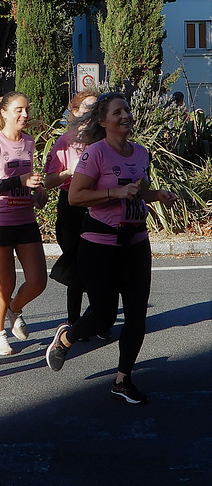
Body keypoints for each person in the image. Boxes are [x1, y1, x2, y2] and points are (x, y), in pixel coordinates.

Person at [45, 92, 177, 405]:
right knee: (103, 317)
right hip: (100, 245)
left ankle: (122, 380)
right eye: (117, 112)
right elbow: (76, 197)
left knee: (136, 315)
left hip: (135, 243)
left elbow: (139, 190)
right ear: (103, 121)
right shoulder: (95, 154)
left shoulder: (140, 153)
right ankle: (66, 338)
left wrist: (157, 195)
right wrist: (115, 192)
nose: (125, 116)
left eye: (127, 110)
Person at [0, 91, 48, 356]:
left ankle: (14, 309)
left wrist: (38, 192)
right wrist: (20, 181)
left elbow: (30, 182)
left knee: (38, 281)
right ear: (4, 113)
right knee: (5, 282)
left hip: (25, 219)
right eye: (18, 110)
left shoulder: (29, 142)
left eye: (27, 109)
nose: (25, 115)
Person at [44, 90, 98, 334]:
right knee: (76, 262)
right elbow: (49, 180)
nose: (91, 112)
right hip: (71, 203)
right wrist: (70, 171)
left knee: (100, 263)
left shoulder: (104, 139)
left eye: (96, 107)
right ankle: (74, 322)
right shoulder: (65, 141)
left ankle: (99, 318)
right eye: (86, 107)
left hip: (99, 203)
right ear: (74, 112)